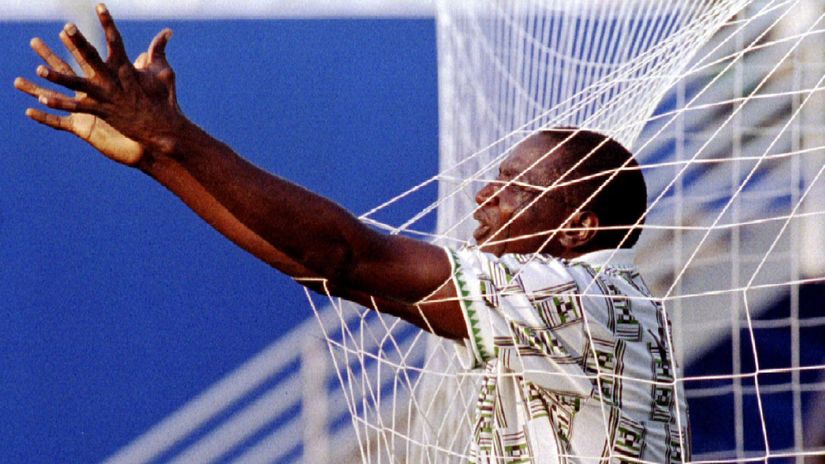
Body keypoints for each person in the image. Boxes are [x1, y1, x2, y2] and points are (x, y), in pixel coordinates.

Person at [14, 5, 690, 463]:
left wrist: (176, 135)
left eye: (516, 185)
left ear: (577, 227)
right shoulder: (562, 296)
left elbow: (341, 251)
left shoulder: (569, 295)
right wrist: (158, 158)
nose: (485, 194)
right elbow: (321, 269)